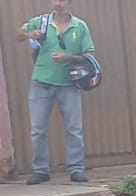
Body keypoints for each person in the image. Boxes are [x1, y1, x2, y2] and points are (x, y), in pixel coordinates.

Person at [14, 0, 96, 185]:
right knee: (38, 130)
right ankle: (40, 171)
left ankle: (76, 170)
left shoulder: (80, 26)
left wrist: (69, 58)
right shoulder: (41, 22)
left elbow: (89, 54)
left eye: (62, 0)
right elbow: (17, 34)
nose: (58, 3)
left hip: (69, 84)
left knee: (74, 129)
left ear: (70, 2)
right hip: (40, 82)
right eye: (55, 0)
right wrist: (29, 34)